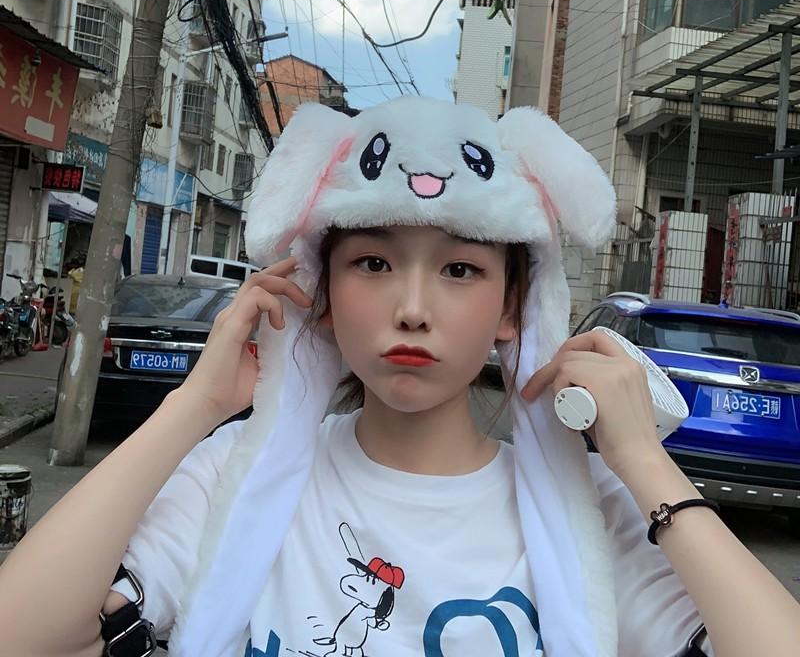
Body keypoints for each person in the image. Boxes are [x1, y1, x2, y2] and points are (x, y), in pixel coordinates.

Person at [0, 97, 798, 657]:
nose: (412, 309)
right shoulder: (235, 478)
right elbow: (24, 635)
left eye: (460, 268)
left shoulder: (586, 514)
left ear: (513, 307)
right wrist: (195, 405)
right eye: (373, 263)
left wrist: (644, 463)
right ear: (322, 295)